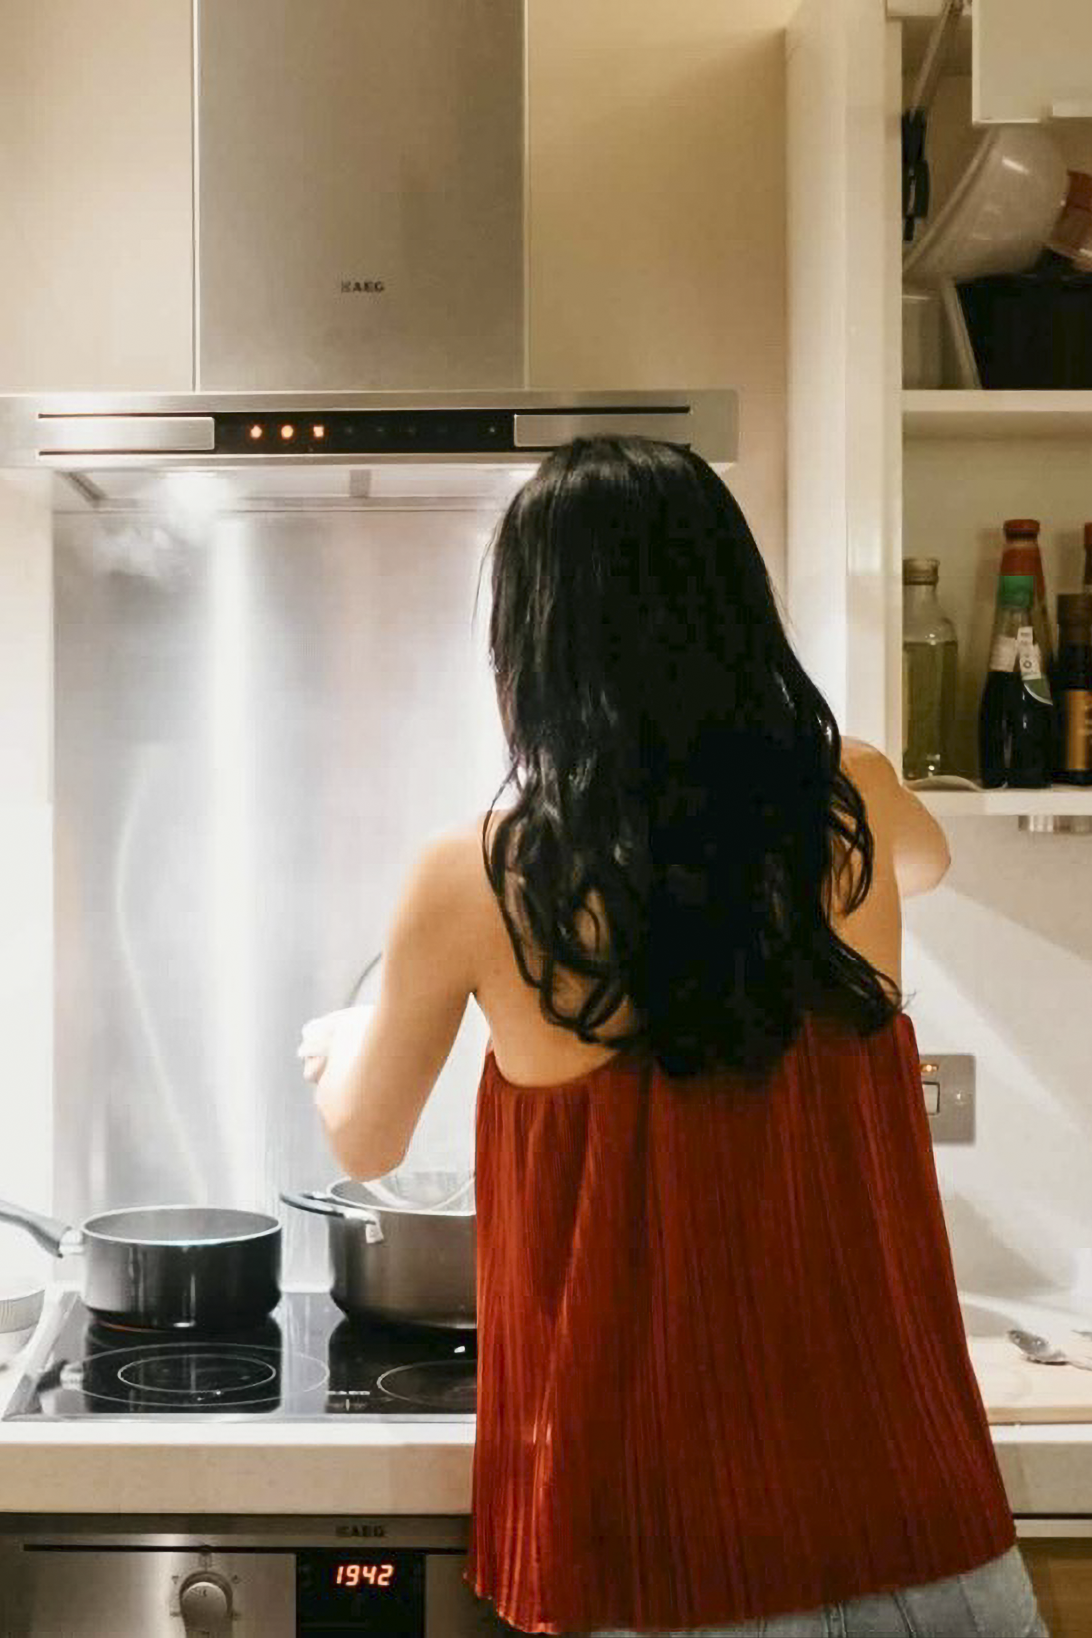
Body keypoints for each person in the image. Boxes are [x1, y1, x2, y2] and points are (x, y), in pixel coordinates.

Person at [298, 437, 1050, 1638]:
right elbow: (933, 858)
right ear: (734, 612)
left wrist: (345, 1035)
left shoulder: (484, 874)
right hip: (931, 1544)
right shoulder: (845, 796)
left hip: (672, 1566)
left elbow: (365, 1134)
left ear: (533, 641)